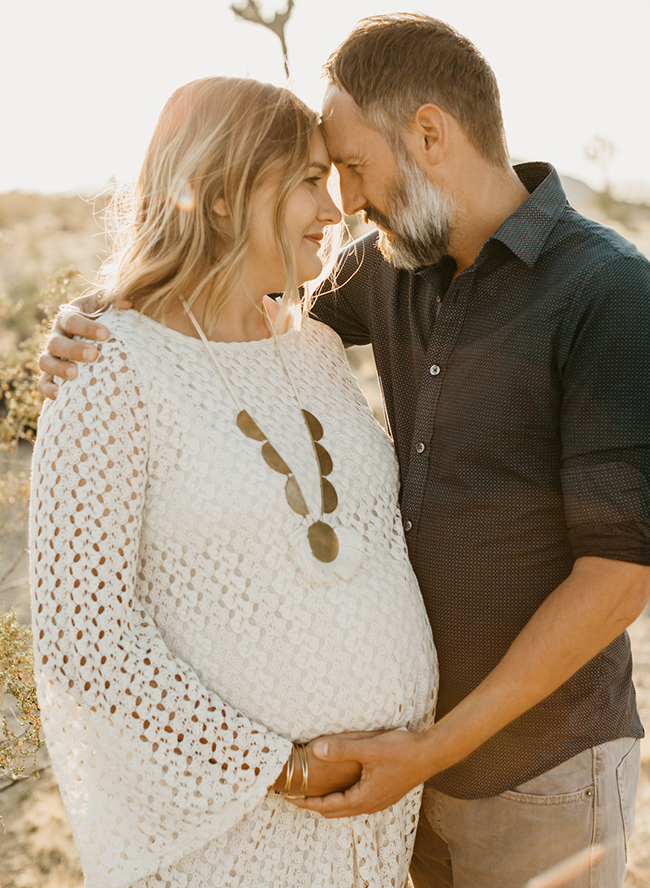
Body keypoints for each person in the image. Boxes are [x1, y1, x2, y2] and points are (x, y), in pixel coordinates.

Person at [38, 13, 650, 888]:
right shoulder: (396, 264)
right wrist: (93, 317)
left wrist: (434, 745)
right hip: (391, 797)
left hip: (535, 768)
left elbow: (619, 575)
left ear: (432, 134)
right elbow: (205, 301)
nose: (347, 204)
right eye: (323, 178)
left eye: (352, 168)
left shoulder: (609, 290)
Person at [30, 75, 438, 888]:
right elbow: (84, 635)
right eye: (305, 182)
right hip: (238, 836)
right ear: (218, 199)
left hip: (379, 820)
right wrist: (276, 768)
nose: (336, 208)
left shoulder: (317, 351)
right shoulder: (110, 368)